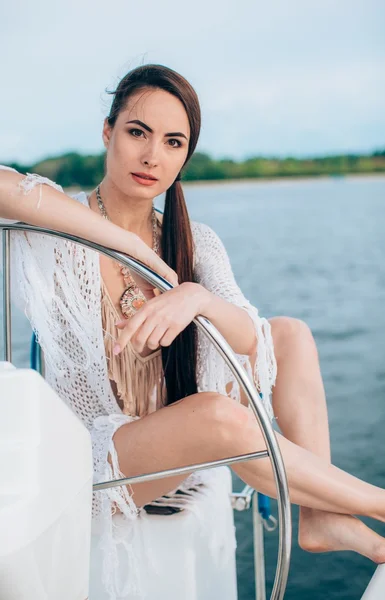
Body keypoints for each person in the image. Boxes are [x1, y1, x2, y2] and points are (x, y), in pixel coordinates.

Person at [1, 64, 385, 599]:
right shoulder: (55, 231)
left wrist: (195, 296)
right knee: (216, 416)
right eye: (137, 132)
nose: (152, 155)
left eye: (172, 142)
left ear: (185, 156)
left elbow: (253, 339)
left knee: (290, 332)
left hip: (174, 451)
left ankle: (320, 519)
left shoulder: (194, 241)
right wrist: (129, 246)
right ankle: (377, 502)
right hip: (93, 464)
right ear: (107, 132)